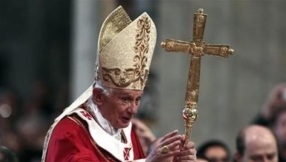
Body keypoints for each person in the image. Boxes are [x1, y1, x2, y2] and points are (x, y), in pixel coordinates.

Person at [41, 6, 197, 162]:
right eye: (125, 99)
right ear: (98, 96)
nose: (133, 110)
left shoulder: (126, 132)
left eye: (138, 99)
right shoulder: (70, 132)